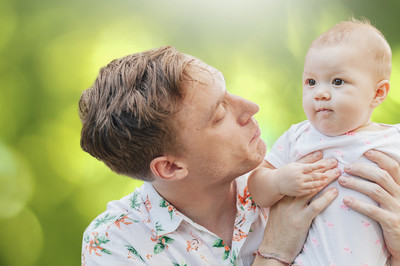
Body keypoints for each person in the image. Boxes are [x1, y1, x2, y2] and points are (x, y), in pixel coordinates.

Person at [79, 46, 400, 265]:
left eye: (229, 91)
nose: (250, 108)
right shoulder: (116, 243)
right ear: (171, 166)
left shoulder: (300, 169)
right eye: (219, 113)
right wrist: (273, 253)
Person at [248, 19, 400, 265]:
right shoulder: (299, 136)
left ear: (378, 93)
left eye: (337, 81)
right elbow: (256, 186)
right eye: (311, 82)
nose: (320, 93)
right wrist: (279, 181)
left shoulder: (393, 140)